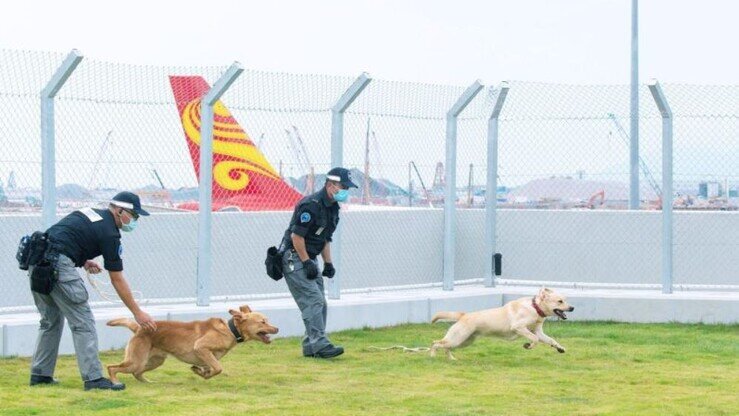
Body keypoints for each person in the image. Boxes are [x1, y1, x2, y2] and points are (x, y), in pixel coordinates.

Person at [28, 191, 157, 390]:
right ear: (120, 210)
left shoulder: (90, 213)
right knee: (83, 322)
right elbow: (117, 278)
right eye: (134, 215)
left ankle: (40, 375)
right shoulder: (110, 233)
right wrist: (137, 313)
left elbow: (65, 238)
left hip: (36, 262)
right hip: (57, 267)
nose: (135, 220)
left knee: (49, 321)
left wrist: (82, 261)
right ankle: (94, 379)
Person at [279, 167, 357, 358]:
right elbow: (297, 237)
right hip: (294, 257)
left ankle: (310, 345)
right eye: (343, 186)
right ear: (330, 185)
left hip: (309, 257)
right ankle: (320, 344)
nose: (346, 190)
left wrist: (328, 263)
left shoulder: (332, 209)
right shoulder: (311, 205)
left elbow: (324, 238)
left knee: (320, 302)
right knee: (313, 300)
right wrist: (306, 263)